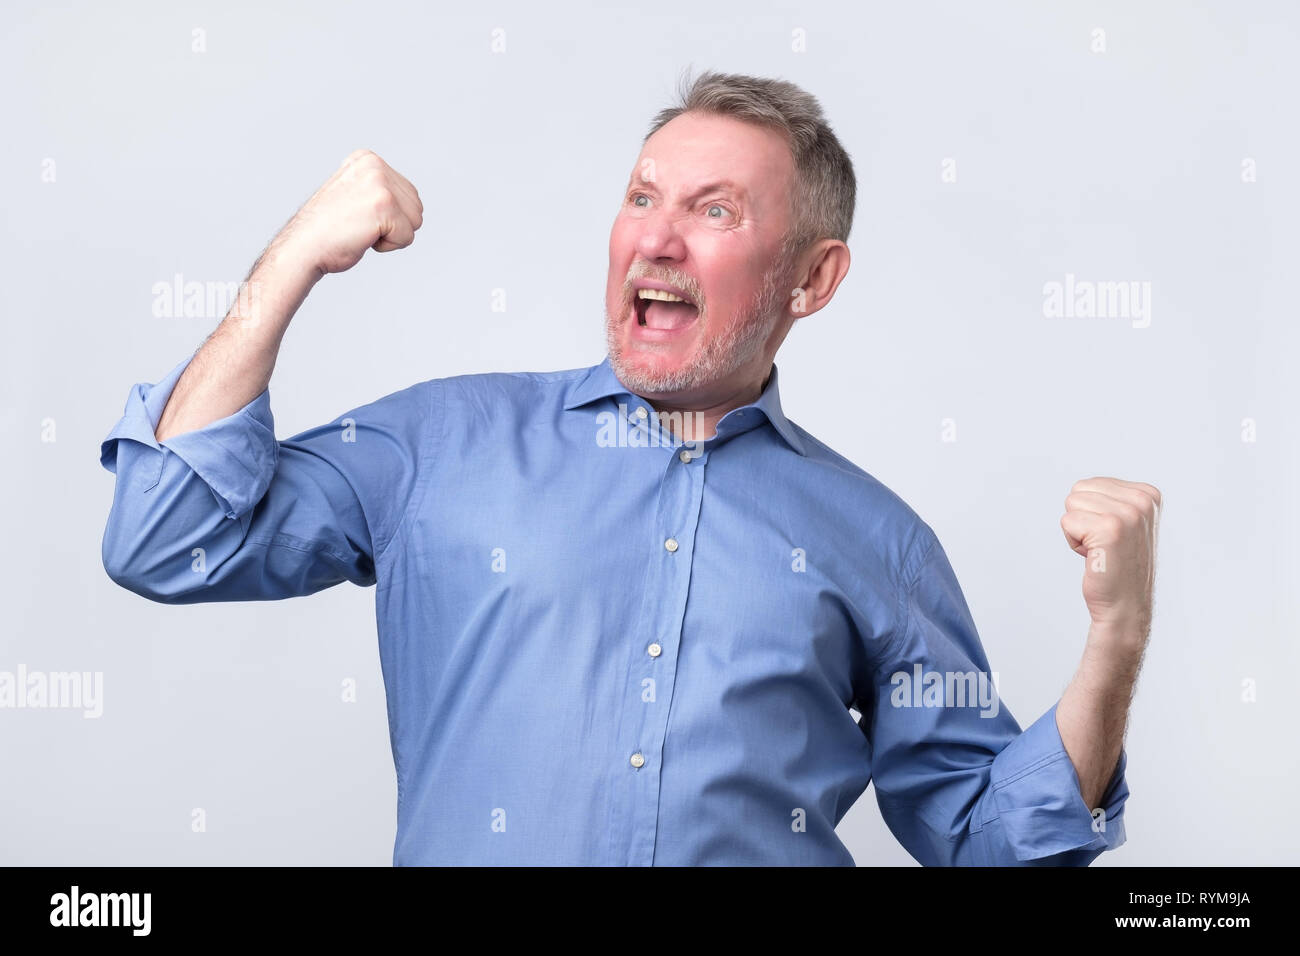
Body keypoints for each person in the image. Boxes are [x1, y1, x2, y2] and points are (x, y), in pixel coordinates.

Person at [99, 71, 1159, 866]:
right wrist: (291, 262)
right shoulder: (438, 443)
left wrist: (1115, 640)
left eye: (714, 210)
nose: (656, 240)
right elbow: (165, 538)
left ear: (813, 278)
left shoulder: (878, 540)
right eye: (642, 197)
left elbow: (987, 838)